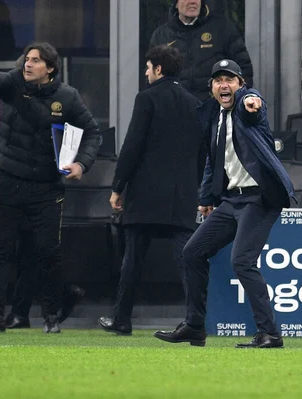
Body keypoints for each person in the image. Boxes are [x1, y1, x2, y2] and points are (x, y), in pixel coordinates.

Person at [155, 59, 296, 349]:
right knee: (192, 252)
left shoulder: (248, 104)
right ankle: (194, 326)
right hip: (232, 200)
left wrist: (253, 101)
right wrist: (207, 199)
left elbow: (255, 106)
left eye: (230, 80)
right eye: (218, 80)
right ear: (212, 88)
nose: (224, 85)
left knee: (241, 261)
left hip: (260, 197)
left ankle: (270, 333)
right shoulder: (215, 118)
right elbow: (213, 160)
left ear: (240, 85)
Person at [0, 42, 101, 333]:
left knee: (47, 252)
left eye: (36, 61)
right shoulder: (13, 83)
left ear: (50, 68)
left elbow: (92, 133)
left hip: (46, 188)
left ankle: (51, 316)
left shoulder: (67, 97)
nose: (27, 64)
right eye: (27, 59)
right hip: (7, 181)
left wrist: (81, 164)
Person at [98, 45, 205, 336]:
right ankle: (196, 320)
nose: (146, 73)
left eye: (148, 68)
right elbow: (202, 153)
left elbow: (132, 146)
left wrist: (118, 187)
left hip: (145, 195)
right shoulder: (195, 104)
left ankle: (121, 319)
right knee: (187, 260)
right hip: (182, 195)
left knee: (132, 260)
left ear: (158, 69)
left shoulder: (146, 99)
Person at [149, 0, 253, 101]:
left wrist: (237, 101)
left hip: (215, 108)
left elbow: (243, 69)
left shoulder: (222, 29)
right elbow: (152, 76)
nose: (193, 1)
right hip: (176, 108)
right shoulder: (161, 35)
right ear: (175, 3)